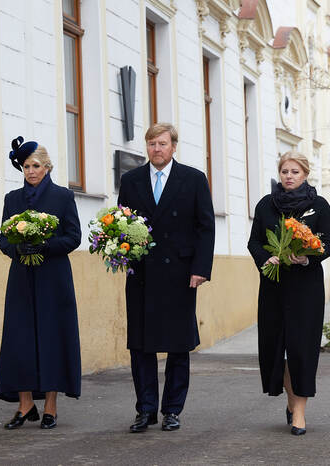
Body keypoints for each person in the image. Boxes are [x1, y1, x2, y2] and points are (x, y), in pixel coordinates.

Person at [117, 123, 215, 432]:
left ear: (173, 147)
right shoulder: (131, 180)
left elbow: (205, 227)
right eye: (151, 144)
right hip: (142, 274)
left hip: (180, 274)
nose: (156, 149)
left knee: (177, 345)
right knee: (141, 345)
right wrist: (118, 250)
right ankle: (145, 410)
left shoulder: (193, 179)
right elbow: (122, 222)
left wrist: (200, 269)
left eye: (162, 144)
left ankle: (172, 409)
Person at [0, 138, 82, 430]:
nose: (30, 171)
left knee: (52, 337)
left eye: (36, 166)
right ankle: (25, 404)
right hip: (21, 277)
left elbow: (73, 237)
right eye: (26, 166)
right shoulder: (12, 199)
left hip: (54, 277)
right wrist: (17, 250)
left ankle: (51, 408)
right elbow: (3, 238)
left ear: (47, 167)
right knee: (20, 338)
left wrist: (46, 246)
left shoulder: (63, 197)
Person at [247, 152, 330, 436]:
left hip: (305, 288)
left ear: (305, 173)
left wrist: (307, 258)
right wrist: (266, 259)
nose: (289, 176)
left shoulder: (319, 206)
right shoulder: (266, 205)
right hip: (273, 287)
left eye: (295, 171)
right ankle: (291, 400)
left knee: (301, 348)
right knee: (277, 348)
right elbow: (254, 242)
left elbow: (327, 245)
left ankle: (299, 412)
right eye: (284, 171)